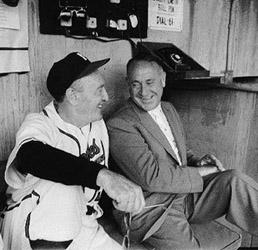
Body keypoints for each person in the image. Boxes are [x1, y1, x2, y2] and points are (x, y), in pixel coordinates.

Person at [107, 52, 258, 250]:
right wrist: (202, 172)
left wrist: (196, 162)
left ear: (163, 79)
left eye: (150, 82)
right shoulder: (120, 124)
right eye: (136, 84)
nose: (144, 91)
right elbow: (151, 177)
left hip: (184, 196)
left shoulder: (168, 109)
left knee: (234, 180)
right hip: (153, 210)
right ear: (128, 84)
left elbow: (178, 153)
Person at [0, 52, 145, 250]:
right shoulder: (41, 123)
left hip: (85, 224)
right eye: (99, 90)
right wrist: (103, 176)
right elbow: (30, 156)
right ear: (73, 96)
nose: (107, 96)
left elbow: (94, 190)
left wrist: (120, 195)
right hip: (34, 223)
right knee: (64, 187)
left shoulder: (97, 123)